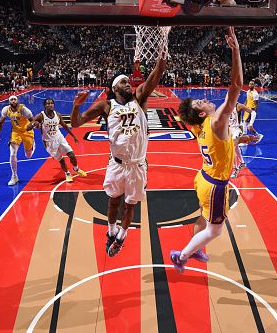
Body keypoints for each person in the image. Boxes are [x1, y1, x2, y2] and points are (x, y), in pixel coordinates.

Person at [70, 39, 168, 257]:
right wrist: (76, 105)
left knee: (130, 204)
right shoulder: (107, 105)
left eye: (129, 82)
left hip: (137, 164)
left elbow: (158, 72)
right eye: (124, 82)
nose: (128, 84)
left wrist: (163, 44)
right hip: (116, 163)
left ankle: (121, 238)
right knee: (114, 201)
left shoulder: (140, 98)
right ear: (115, 88)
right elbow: (76, 123)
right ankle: (111, 232)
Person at [170, 28, 248, 273]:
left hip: (204, 179)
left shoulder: (199, 126)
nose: (204, 99)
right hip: (214, 184)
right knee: (215, 230)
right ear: (203, 112)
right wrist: (235, 50)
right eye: (200, 103)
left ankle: (193, 248)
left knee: (206, 219)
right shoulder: (215, 122)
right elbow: (236, 86)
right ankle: (181, 256)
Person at [26, 98, 87, 183]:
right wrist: (33, 124)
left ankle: (76, 168)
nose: (50, 105)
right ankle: (67, 174)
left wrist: (73, 135)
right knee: (61, 160)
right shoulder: (40, 116)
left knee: (71, 154)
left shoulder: (57, 114)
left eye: (51, 103)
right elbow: (27, 128)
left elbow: (64, 125)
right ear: (45, 106)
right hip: (49, 142)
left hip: (60, 138)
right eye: (48, 103)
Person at [0, 95, 36, 186]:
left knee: (28, 156)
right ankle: (14, 176)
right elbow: (0, 123)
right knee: (13, 153)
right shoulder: (6, 110)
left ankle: (32, 145)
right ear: (9, 101)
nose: (13, 101)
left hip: (27, 132)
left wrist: (36, 125)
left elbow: (33, 121)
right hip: (16, 132)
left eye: (14, 99)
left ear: (17, 100)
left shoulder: (24, 110)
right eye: (11, 99)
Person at [229, 102, 260, 178]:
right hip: (229, 129)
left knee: (232, 147)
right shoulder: (226, 105)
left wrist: (250, 124)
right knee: (235, 147)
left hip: (237, 129)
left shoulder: (239, 106)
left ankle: (235, 169)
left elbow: (253, 113)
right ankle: (242, 163)